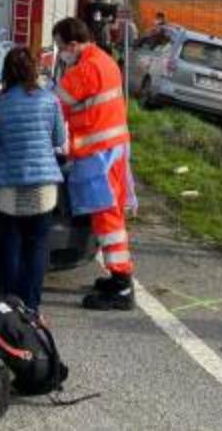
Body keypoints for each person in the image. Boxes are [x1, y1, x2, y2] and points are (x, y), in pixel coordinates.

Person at [52, 17, 136, 310]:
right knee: (111, 217)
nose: (61, 53)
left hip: (98, 154)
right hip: (111, 151)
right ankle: (118, 278)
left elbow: (51, 105)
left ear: (73, 44)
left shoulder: (84, 70)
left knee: (107, 220)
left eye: (61, 47)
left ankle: (122, 284)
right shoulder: (104, 60)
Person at [0, 47, 67, 311]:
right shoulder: (49, 100)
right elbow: (59, 140)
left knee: (11, 244)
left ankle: (10, 304)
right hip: (44, 186)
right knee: (37, 246)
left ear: (6, 72)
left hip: (8, 186)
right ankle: (33, 308)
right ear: (33, 70)